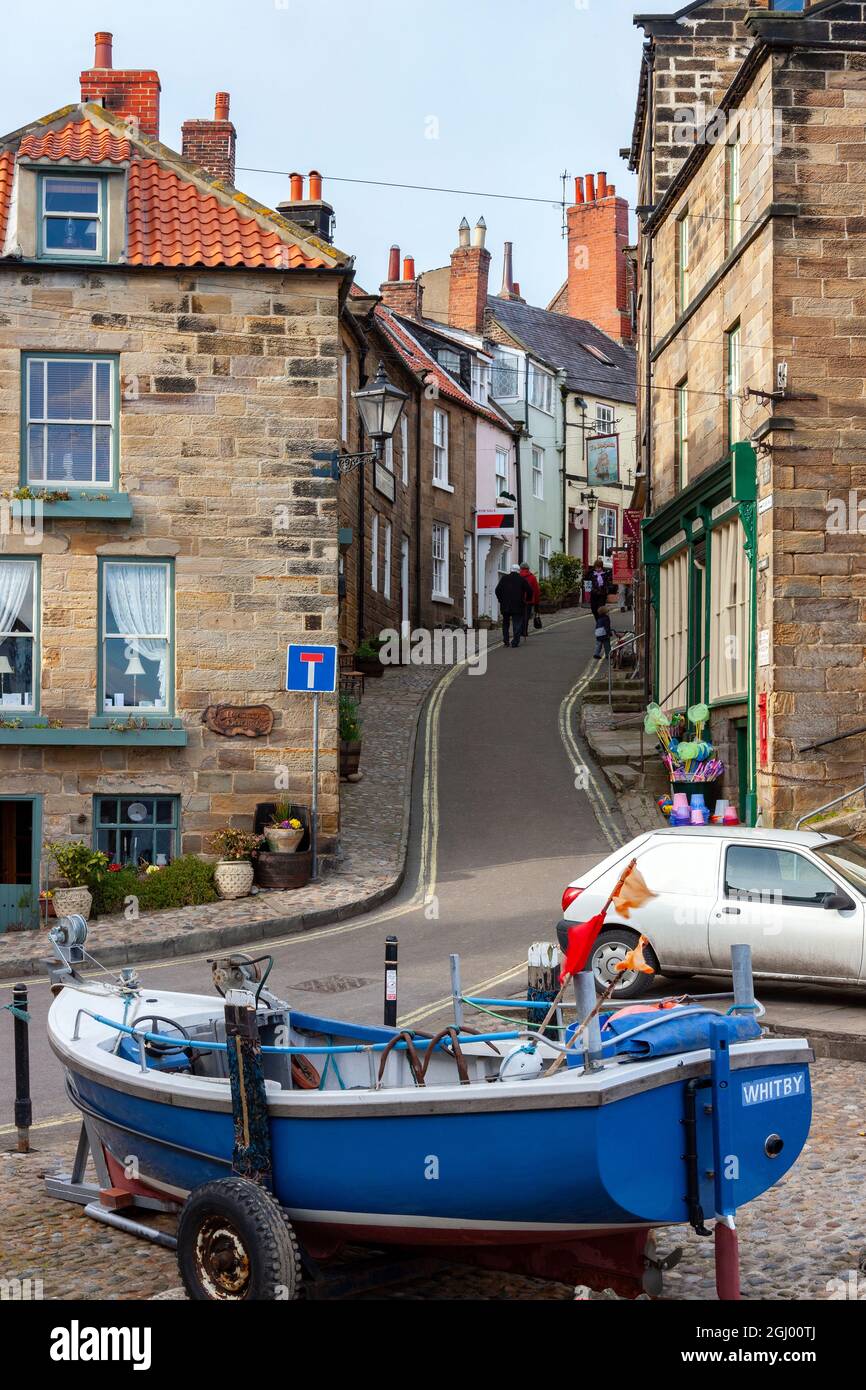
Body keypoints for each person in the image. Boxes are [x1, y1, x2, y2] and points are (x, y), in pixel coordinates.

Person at [495, 564, 532, 647]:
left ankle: (506, 640)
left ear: (511, 570)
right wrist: (527, 600)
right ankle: (515, 641)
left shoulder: (504, 579)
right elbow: (530, 591)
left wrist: (501, 600)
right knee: (517, 623)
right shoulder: (521, 579)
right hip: (518, 605)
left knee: (505, 623)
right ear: (518, 571)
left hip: (505, 605)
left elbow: (497, 590)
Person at [520, 562, 541, 636]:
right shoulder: (532, 577)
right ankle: (524, 631)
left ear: (520, 568)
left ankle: (519, 631)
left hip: (519, 599)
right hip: (529, 600)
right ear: (528, 569)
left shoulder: (518, 576)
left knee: (519, 615)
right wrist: (536, 602)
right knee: (526, 616)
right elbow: (536, 590)